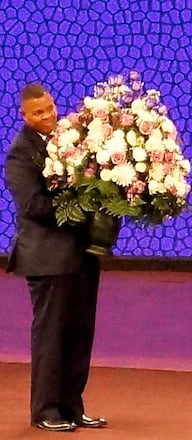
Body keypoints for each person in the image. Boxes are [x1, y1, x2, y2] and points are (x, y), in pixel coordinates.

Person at [4, 83, 106, 432]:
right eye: (38, 113)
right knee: (51, 336)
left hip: (82, 255)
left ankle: (72, 407)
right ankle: (45, 412)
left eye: (49, 108)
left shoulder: (70, 141)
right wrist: (78, 207)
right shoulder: (20, 153)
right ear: (25, 116)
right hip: (47, 259)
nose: (48, 116)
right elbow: (32, 205)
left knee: (80, 333)